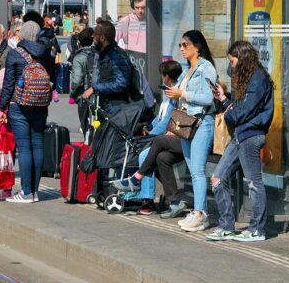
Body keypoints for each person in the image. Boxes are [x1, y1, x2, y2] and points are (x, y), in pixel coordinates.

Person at [205, 41, 274, 242]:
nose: (232, 65)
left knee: (254, 182)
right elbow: (240, 109)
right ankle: (227, 225)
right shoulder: (251, 79)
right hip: (241, 135)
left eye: (233, 61)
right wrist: (224, 100)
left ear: (242, 60)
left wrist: (228, 114)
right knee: (218, 178)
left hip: (250, 136)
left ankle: (257, 229)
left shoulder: (258, 79)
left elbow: (243, 112)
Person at [110, 60, 183, 216]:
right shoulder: (168, 94)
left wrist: (150, 134)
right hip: (163, 139)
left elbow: (165, 123)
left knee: (144, 155)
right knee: (154, 158)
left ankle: (147, 200)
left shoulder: (174, 95)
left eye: (163, 75)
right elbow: (160, 118)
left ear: (167, 76)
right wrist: (147, 127)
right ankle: (168, 197)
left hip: (168, 139)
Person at [165, 30, 218, 233]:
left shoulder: (206, 68)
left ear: (197, 46)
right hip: (186, 123)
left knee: (197, 170)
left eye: (185, 45)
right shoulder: (189, 69)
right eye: (180, 45)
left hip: (201, 122)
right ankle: (199, 211)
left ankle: (199, 214)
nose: (181, 49)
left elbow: (207, 98)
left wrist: (183, 93)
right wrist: (173, 93)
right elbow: (181, 95)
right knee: (192, 169)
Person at [0, 21, 54, 204]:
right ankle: (36, 192)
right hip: (40, 105)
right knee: (37, 145)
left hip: (18, 105)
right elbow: (51, 79)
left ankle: (26, 192)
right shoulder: (46, 53)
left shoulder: (15, 53)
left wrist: (2, 107)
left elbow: (8, 84)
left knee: (24, 148)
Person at [80, 21, 132, 115]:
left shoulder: (117, 56)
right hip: (105, 106)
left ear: (102, 38)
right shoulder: (104, 53)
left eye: (95, 34)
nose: (92, 36)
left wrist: (95, 88)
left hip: (115, 109)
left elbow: (121, 83)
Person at [68, 27, 95, 106]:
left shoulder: (78, 58)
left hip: (84, 95)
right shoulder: (98, 54)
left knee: (85, 117)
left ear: (79, 42)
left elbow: (77, 81)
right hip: (98, 93)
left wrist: (72, 94)